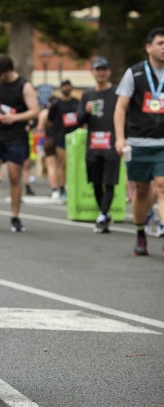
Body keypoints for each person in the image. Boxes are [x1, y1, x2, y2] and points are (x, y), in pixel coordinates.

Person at [114, 27, 164, 256]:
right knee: (141, 191)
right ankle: (141, 233)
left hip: (162, 144)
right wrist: (120, 137)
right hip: (138, 143)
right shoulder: (134, 74)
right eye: (161, 43)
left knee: (162, 186)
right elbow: (121, 107)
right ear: (148, 47)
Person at [0, 54, 40, 232]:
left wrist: (14, 118)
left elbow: (35, 111)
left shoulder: (24, 86)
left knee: (14, 177)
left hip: (16, 136)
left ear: (8, 71)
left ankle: (15, 217)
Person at [77, 57, 120, 233]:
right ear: (93, 72)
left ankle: (102, 215)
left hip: (111, 143)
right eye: (98, 69)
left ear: (109, 71)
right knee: (95, 182)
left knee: (109, 182)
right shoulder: (87, 95)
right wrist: (85, 113)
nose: (101, 72)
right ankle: (104, 213)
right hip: (93, 145)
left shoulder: (117, 92)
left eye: (104, 69)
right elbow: (78, 121)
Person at [47, 79, 80, 201]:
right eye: (64, 86)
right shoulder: (56, 104)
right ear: (61, 88)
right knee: (62, 164)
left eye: (68, 86)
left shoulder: (77, 102)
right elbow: (49, 122)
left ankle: (73, 187)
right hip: (61, 138)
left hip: (75, 137)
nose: (66, 88)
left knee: (74, 164)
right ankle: (62, 188)